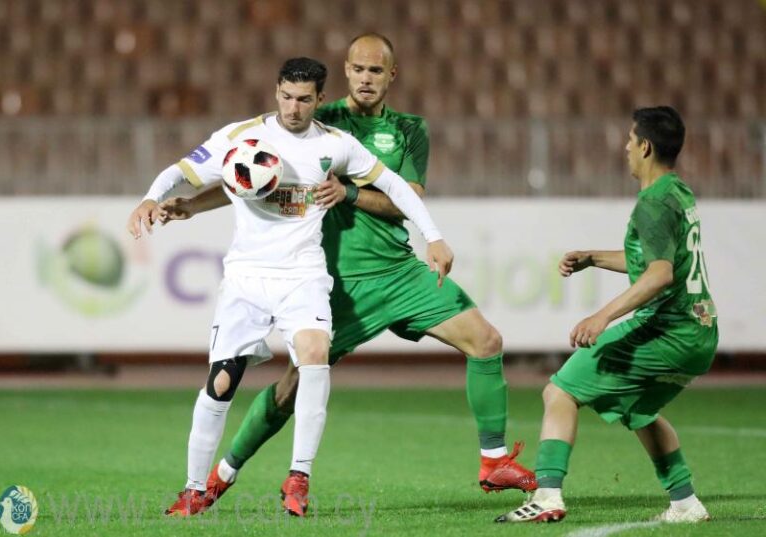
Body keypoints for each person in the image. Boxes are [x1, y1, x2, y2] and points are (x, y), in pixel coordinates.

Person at [159, 33, 536, 516]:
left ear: (391, 75)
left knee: (486, 341)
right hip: (340, 281)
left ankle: (494, 460)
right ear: (343, 72)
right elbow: (251, 177)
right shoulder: (317, 118)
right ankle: (221, 476)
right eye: (357, 69)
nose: (365, 79)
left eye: (375, 71)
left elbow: (406, 197)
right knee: (291, 388)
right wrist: (192, 205)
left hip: (399, 272)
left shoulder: (409, 129)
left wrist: (354, 195)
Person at [126, 56, 454, 518]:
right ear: (276, 92)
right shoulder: (241, 137)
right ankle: (194, 489)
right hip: (246, 276)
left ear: (320, 99)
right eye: (285, 96)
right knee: (221, 383)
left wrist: (433, 236)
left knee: (315, 355)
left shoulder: (335, 145)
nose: (293, 108)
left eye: (303, 99)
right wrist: (150, 199)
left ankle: (298, 477)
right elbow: (180, 171)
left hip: (302, 274)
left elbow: (398, 187)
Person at [496, 106, 717, 524]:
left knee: (560, 391)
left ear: (645, 147)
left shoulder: (653, 203)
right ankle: (685, 502)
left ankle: (547, 496)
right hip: (701, 332)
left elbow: (659, 274)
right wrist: (594, 257)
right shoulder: (678, 193)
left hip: (668, 331)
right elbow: (655, 260)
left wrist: (601, 317)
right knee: (639, 411)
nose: (625, 148)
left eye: (630, 140)